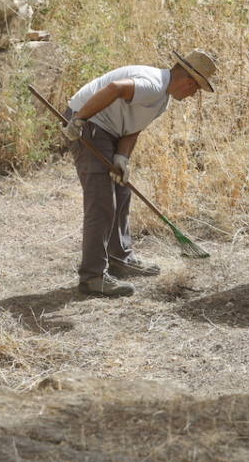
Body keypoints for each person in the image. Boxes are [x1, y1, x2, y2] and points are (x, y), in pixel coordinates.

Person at [63, 49, 217, 297]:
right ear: (189, 82)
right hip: (90, 125)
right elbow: (114, 88)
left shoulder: (162, 100)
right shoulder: (153, 86)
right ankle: (92, 277)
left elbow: (133, 128)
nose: (192, 96)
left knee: (121, 191)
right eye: (196, 90)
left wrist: (122, 157)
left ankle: (120, 258)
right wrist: (79, 119)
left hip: (108, 130)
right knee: (102, 202)